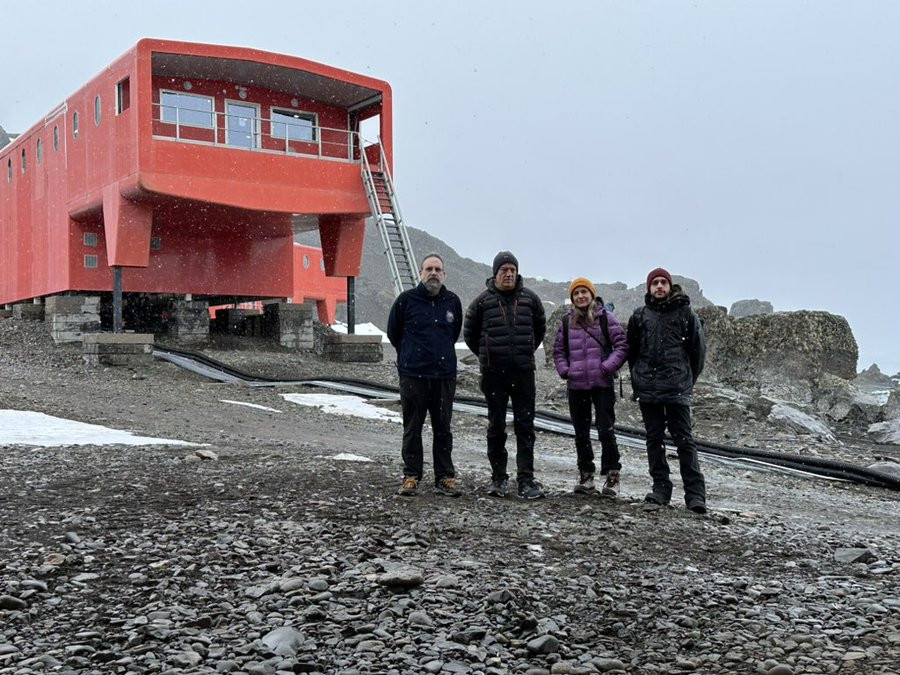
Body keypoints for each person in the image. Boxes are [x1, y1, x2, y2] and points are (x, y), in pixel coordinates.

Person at [464, 251, 547, 499]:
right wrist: (488, 355)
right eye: (504, 270)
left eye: (512, 270)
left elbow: (539, 329)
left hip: (523, 372)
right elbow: (470, 334)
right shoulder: (481, 302)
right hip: (493, 374)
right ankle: (498, 478)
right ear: (495, 273)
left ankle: (526, 480)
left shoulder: (531, 300)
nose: (509, 274)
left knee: (525, 426)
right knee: (496, 426)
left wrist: (523, 352)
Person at [626, 267, 708, 514]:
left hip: (676, 390)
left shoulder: (686, 313)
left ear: (670, 286)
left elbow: (698, 351)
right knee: (654, 439)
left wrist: (686, 381)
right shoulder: (640, 316)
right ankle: (660, 489)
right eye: (655, 283)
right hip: (648, 390)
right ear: (649, 288)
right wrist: (638, 378)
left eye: (663, 283)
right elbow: (632, 352)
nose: (659, 287)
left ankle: (695, 495)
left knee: (684, 441)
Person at [387, 253, 463, 498]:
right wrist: (412, 357)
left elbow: (454, 332)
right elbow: (393, 333)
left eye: (438, 269)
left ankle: (444, 478)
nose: (433, 273)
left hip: (443, 376)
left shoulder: (452, 301)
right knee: (412, 427)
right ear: (420, 273)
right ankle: (411, 476)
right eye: (429, 269)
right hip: (413, 376)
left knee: (443, 428)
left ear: (444, 274)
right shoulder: (405, 301)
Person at [552, 277, 628, 496]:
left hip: (602, 384)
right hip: (576, 386)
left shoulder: (606, 318)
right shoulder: (567, 322)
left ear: (592, 295)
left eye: (584, 292)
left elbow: (622, 345)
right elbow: (558, 351)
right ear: (572, 298)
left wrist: (606, 367)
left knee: (606, 430)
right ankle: (586, 475)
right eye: (576, 293)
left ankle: (612, 475)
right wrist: (565, 370)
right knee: (581, 432)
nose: (580, 296)